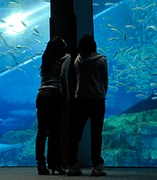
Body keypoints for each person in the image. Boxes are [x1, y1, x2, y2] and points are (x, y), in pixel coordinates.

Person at [67, 34, 108, 177]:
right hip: (97, 99)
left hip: (81, 99)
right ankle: (96, 166)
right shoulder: (101, 60)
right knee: (96, 134)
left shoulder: (77, 60)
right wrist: (101, 93)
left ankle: (72, 164)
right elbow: (105, 80)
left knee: (76, 133)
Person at [35, 36, 71, 175]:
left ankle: (41, 165)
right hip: (54, 94)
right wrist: (66, 94)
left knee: (42, 131)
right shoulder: (65, 57)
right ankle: (56, 164)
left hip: (41, 95)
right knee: (56, 132)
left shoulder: (46, 58)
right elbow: (63, 76)